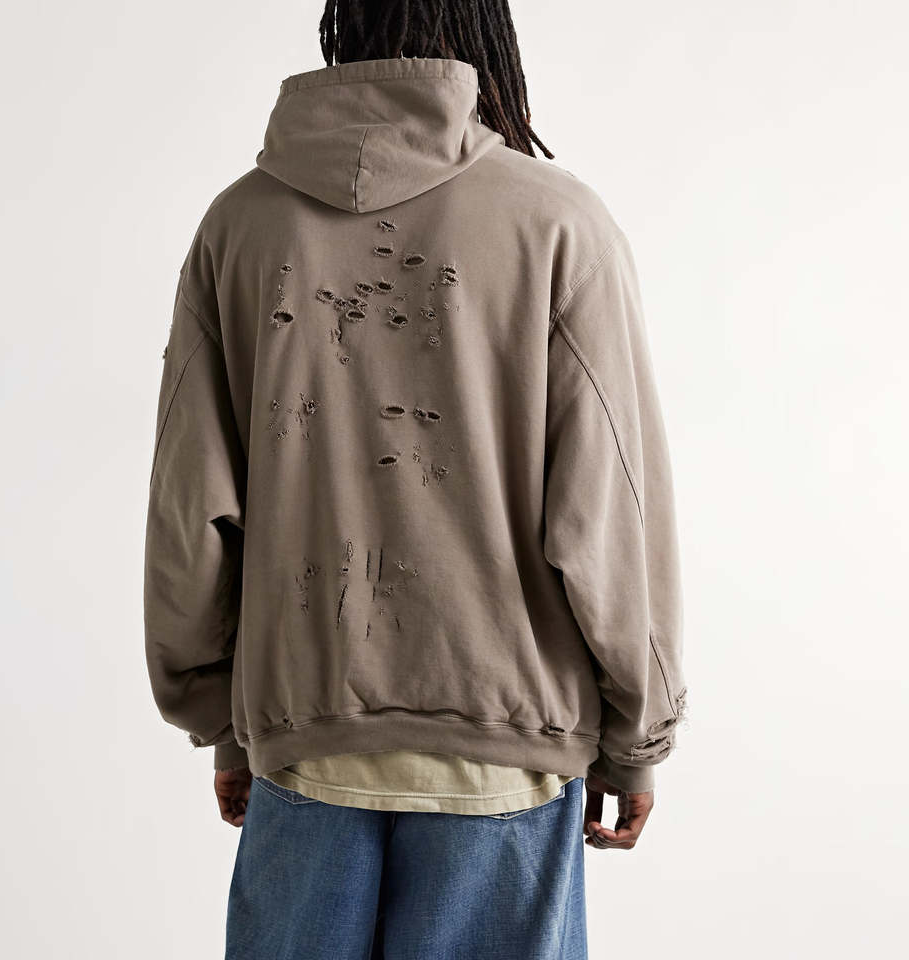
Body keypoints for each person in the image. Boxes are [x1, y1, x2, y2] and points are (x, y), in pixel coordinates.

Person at [143, 2, 686, 957]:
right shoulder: (557, 222)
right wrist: (638, 736)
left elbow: (193, 509)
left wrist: (223, 718)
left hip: (305, 737)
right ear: (488, 40)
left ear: (342, 30)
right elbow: (608, 510)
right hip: (506, 753)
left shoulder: (239, 225)